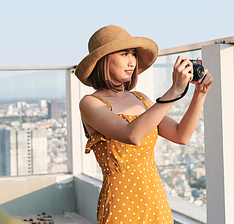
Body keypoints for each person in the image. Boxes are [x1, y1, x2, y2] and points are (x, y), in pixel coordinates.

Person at [75, 25, 213, 224]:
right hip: (121, 204)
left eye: (133, 54)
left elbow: (181, 135)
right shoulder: (90, 103)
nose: (132, 61)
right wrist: (174, 90)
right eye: (124, 54)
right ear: (104, 60)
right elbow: (132, 135)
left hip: (155, 200)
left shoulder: (142, 99)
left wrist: (200, 94)